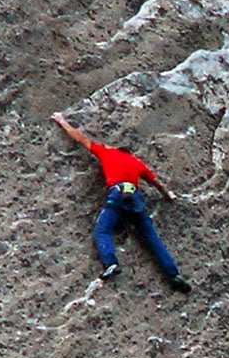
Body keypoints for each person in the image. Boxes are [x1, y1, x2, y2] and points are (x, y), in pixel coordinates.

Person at [52, 112, 191, 291]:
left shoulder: (107, 152)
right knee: (151, 236)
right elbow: (156, 183)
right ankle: (173, 274)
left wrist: (62, 121)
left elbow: (81, 139)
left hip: (117, 194)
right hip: (134, 196)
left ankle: (111, 262)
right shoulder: (136, 162)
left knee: (102, 230)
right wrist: (168, 195)